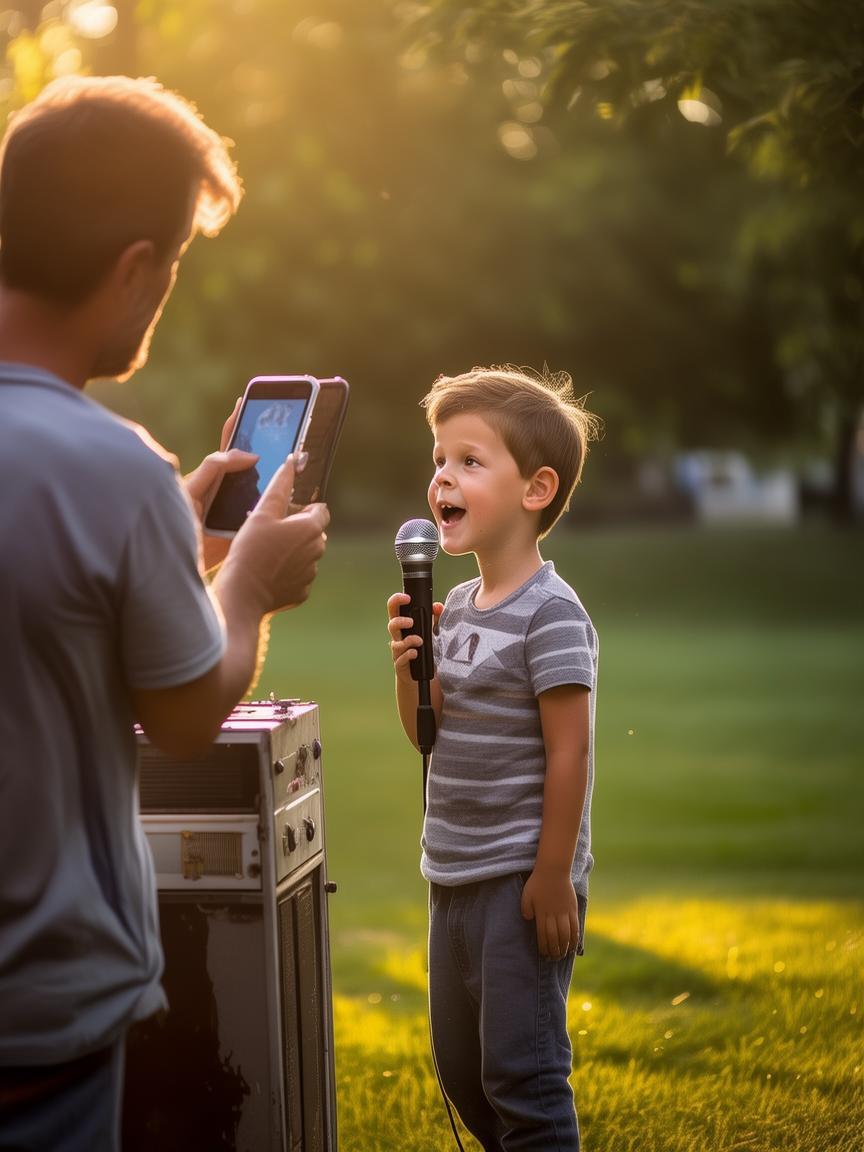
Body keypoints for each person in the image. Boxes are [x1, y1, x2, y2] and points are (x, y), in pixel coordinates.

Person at [0, 75, 329, 1151]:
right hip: (36, 1028)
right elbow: (187, 717)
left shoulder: (118, 489)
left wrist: (167, 553)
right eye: (175, 265)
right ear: (137, 266)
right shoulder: (113, 469)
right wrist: (246, 583)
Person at [387, 366, 600, 1151]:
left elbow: (570, 750)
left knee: (523, 1077)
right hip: (453, 873)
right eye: (440, 459)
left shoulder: (551, 613)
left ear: (536, 489)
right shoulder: (456, 612)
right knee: (465, 1074)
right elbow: (425, 734)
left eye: (470, 461)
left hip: (519, 879)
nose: (443, 475)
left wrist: (552, 873)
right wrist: (411, 663)